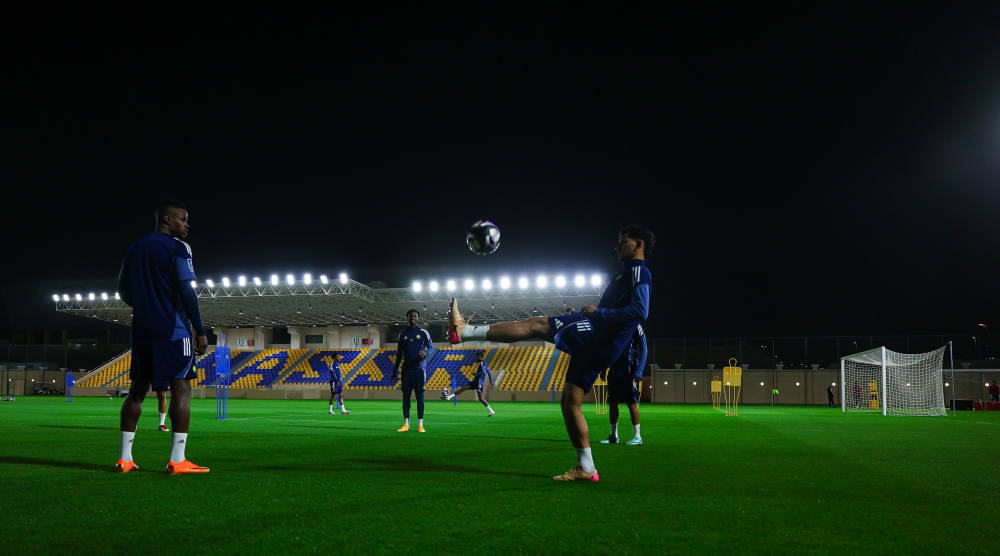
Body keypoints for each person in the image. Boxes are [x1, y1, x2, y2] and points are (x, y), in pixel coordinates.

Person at [449, 225, 653, 482]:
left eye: (623, 240)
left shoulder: (638, 271)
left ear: (639, 244)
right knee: (569, 401)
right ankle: (587, 468)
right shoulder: (626, 273)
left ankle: (464, 332)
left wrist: (597, 314)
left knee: (537, 324)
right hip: (601, 346)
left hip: (596, 336)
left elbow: (640, 311)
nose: (617, 245)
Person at [115, 198, 209, 474]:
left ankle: (125, 459)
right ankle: (177, 460)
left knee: (137, 392)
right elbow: (186, 289)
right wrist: (200, 330)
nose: (187, 224)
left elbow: (122, 290)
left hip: (142, 329)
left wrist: (147, 306)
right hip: (173, 329)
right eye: (183, 218)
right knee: (181, 388)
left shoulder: (134, 248)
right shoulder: (178, 247)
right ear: (167, 219)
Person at [600, 324, 646, 446]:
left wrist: (639, 370)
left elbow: (643, 348)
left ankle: (637, 436)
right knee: (612, 402)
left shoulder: (635, 325)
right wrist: (604, 368)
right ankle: (613, 435)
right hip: (614, 368)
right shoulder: (613, 325)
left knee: (631, 402)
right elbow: (608, 348)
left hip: (629, 367)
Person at [392, 309, 434, 432]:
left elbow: (431, 347)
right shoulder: (403, 334)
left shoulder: (423, 333)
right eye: (410, 316)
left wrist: (426, 352)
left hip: (419, 369)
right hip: (406, 370)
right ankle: (406, 424)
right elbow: (399, 354)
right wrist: (395, 369)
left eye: (415, 316)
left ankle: (420, 425)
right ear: (408, 318)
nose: (413, 318)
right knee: (406, 397)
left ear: (418, 318)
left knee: (420, 396)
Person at [444, 352, 495, 416]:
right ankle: (449, 397)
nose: (476, 358)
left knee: (480, 398)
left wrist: (476, 374)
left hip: (479, 382)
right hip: (475, 381)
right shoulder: (483, 363)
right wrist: (491, 381)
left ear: (480, 356)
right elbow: (489, 372)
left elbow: (484, 373)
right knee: (463, 388)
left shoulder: (482, 363)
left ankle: (491, 410)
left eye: (476, 357)